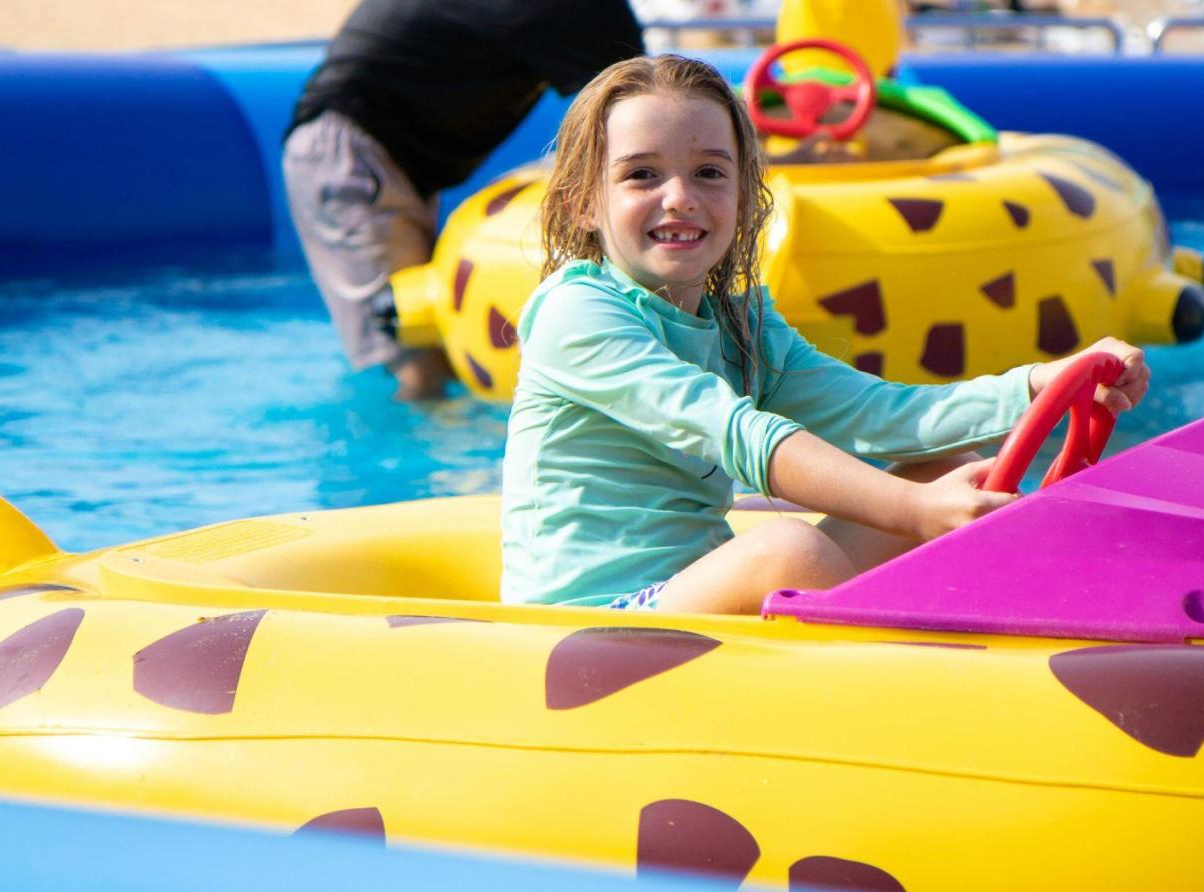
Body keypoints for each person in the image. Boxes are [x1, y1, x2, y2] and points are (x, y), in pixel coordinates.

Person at [500, 54, 1149, 615]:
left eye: (709, 172)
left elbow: (884, 415)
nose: (679, 197)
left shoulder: (740, 325)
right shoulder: (576, 314)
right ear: (585, 200)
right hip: (587, 616)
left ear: (744, 194)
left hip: (689, 586)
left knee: (949, 473)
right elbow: (737, 433)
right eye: (642, 174)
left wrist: (1044, 382)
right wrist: (910, 510)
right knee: (789, 550)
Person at [283, 0, 644, 401]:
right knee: (414, 351)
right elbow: (642, 115)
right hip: (351, 150)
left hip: (379, 150)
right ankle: (427, 455)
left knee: (429, 343)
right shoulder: (577, 10)